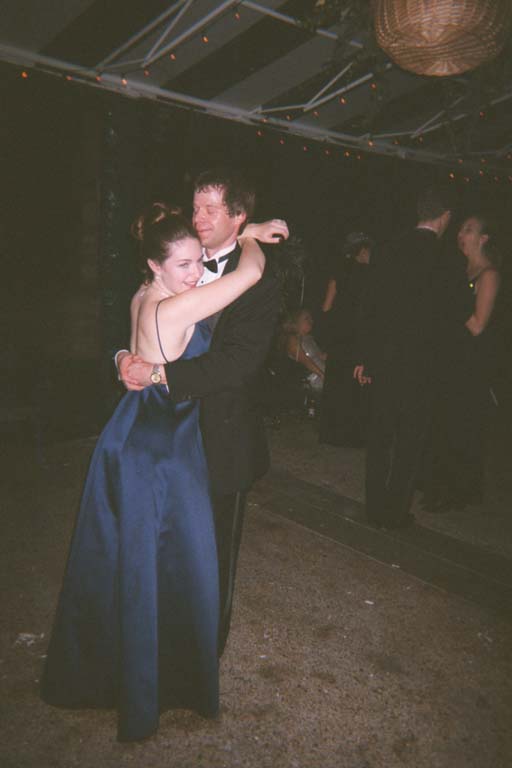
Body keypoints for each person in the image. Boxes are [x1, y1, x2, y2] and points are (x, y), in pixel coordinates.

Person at [41, 205, 279, 742]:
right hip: (161, 446)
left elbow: (133, 345)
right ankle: (155, 684)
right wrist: (249, 235)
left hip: (128, 432)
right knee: (173, 559)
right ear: (154, 264)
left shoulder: (142, 295)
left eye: (197, 262)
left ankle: (113, 670)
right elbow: (250, 273)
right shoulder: (175, 307)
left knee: (125, 559)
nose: (194, 274)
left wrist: (123, 357)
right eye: (183, 265)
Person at [118, 169, 288, 656]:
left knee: (211, 556)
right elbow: (142, 322)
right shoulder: (178, 258)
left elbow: (236, 365)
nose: (199, 217)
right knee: (162, 544)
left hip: (220, 438)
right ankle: (157, 640)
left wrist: (157, 375)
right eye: (195, 207)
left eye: (212, 209)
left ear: (239, 216)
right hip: (168, 439)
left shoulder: (261, 280)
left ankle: (201, 657)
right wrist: (122, 358)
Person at [354, 185, 454, 529]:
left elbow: (370, 307)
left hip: (386, 357)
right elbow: (448, 319)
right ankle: (395, 511)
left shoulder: (388, 249)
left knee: (380, 435)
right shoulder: (447, 258)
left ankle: (375, 507)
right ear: (445, 217)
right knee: (410, 440)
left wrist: (365, 356)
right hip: (424, 363)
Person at [422, 213, 502, 512]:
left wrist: (453, 298)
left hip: (468, 363)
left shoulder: (488, 274)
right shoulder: (461, 271)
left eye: (469, 230)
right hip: (447, 355)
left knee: (459, 426)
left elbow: (478, 325)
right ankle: (437, 485)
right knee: (441, 423)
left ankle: (455, 491)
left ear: (483, 238)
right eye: (460, 229)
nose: (460, 234)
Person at [319, 232, 373, 447]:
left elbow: (326, 307)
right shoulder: (370, 275)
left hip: (339, 332)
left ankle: (331, 432)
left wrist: (327, 333)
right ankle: (353, 435)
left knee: (336, 379)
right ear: (362, 251)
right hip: (359, 332)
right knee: (355, 381)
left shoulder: (338, 273)